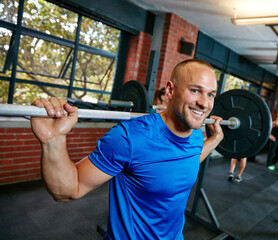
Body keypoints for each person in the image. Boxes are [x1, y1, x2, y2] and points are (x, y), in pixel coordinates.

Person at [30, 59, 224, 240]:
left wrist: (215, 139)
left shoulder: (197, 135)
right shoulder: (130, 138)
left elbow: (189, 159)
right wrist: (52, 140)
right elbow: (68, 190)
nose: (204, 103)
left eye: (210, 94)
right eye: (195, 91)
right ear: (170, 91)